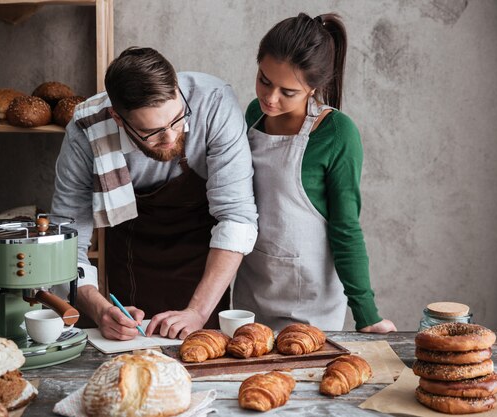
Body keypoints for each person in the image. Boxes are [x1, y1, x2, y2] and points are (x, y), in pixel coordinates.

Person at [52, 47, 258, 340]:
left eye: (176, 120)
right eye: (153, 132)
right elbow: (64, 244)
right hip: (133, 255)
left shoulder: (213, 103)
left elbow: (237, 218)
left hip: (204, 254)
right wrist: (99, 309)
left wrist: (198, 311)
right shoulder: (85, 133)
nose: (171, 137)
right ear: (118, 119)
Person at [233, 13, 396, 333]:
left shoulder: (336, 133)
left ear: (314, 88)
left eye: (287, 91)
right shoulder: (254, 115)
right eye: (264, 80)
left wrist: (368, 315)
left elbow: (346, 228)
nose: (270, 97)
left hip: (309, 304)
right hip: (251, 292)